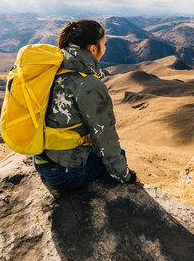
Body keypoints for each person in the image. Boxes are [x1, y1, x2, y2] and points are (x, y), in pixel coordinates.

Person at [33, 20, 137, 189]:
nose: (106, 48)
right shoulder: (88, 84)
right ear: (93, 49)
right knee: (119, 156)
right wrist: (126, 177)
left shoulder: (54, 67)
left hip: (42, 161)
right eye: (104, 44)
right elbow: (105, 137)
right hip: (65, 173)